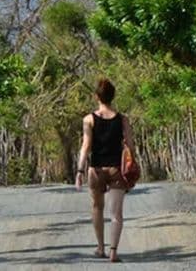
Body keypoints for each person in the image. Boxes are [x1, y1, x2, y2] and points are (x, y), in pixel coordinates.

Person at [75, 78, 134, 263]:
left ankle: (100, 248)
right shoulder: (123, 119)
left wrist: (79, 171)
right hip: (117, 169)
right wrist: (133, 167)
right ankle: (113, 251)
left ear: (96, 97)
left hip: (96, 169)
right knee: (116, 213)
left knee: (97, 208)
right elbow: (131, 146)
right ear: (113, 97)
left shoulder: (89, 119)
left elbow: (85, 147)